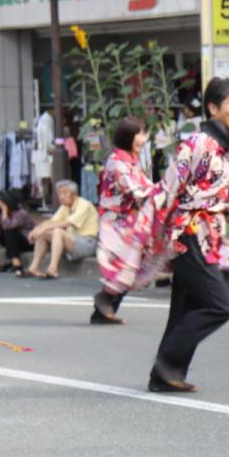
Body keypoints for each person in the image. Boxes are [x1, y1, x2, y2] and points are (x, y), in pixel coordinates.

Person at [148, 77, 229, 393]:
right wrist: (155, 232)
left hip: (205, 234)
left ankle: (166, 374)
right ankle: (166, 364)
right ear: (213, 108)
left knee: (186, 305)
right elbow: (170, 187)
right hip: (188, 232)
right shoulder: (198, 142)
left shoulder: (222, 145)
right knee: (218, 306)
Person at [92, 116, 168, 325]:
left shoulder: (130, 160)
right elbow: (137, 190)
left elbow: (146, 186)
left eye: (143, 134)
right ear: (127, 136)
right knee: (125, 264)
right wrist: (165, 190)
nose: (143, 139)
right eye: (139, 134)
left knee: (131, 265)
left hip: (129, 220)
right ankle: (104, 301)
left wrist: (163, 190)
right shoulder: (117, 161)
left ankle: (104, 309)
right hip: (115, 221)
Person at [26, 180, 99, 279]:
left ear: (74, 194)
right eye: (59, 194)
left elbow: (67, 223)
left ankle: (53, 269)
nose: (61, 197)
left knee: (58, 231)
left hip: (88, 243)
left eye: (64, 193)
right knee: (44, 233)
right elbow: (52, 221)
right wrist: (37, 229)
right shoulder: (65, 206)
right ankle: (34, 267)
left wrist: (44, 228)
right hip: (73, 241)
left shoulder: (84, 205)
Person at [0, 190, 36, 275]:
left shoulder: (21, 213)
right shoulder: (7, 213)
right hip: (16, 241)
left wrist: (4, 211)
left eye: (2, 203)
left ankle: (17, 264)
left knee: (9, 231)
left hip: (29, 242)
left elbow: (7, 226)